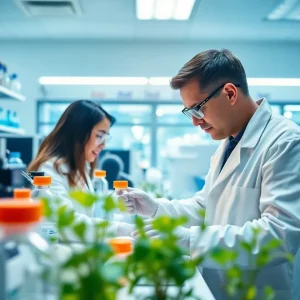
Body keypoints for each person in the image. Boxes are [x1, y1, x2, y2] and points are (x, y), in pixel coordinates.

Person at [120, 49, 300, 299]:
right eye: (189, 112)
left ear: (230, 93)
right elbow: (206, 207)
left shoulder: (285, 142)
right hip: (219, 287)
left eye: (198, 109)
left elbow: (278, 235)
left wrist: (189, 239)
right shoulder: (229, 142)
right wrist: (157, 210)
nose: (195, 121)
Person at [28, 100, 134, 240]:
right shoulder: (50, 169)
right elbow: (65, 222)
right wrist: (119, 229)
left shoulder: (81, 167)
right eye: (99, 136)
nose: (103, 145)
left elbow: (87, 212)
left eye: (106, 137)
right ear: (78, 133)